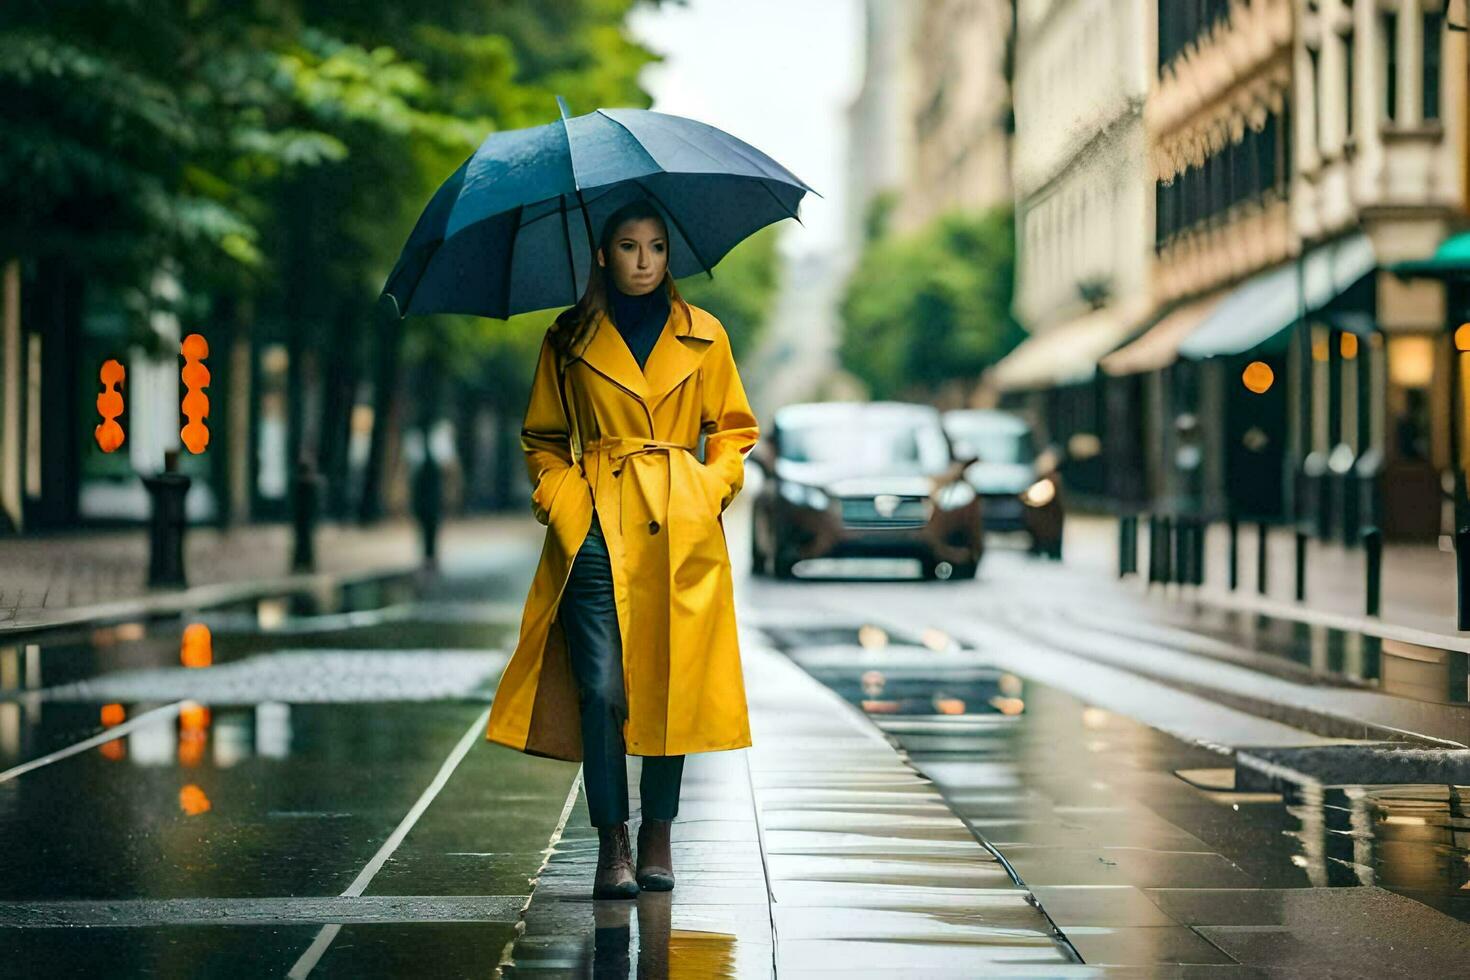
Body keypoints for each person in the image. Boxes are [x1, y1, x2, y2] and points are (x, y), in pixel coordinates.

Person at [484, 197, 760, 899]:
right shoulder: (567, 337)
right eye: (630, 247)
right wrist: (561, 500)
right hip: (597, 522)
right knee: (600, 687)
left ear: (670, 255)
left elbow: (733, 431)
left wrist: (707, 487)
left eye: (657, 247)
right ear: (603, 255)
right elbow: (542, 439)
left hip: (680, 522)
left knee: (671, 682)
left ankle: (658, 833)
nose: (644, 261)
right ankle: (612, 841)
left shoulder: (706, 335)